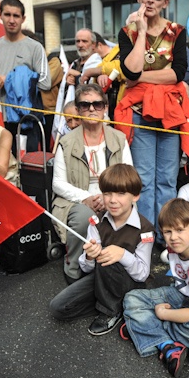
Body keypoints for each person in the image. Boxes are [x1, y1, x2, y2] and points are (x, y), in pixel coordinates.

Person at [114, 0, 189, 246]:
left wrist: (138, 78)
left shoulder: (177, 31)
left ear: (166, 2)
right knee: (144, 181)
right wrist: (140, 32)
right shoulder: (127, 32)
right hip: (140, 116)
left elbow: (178, 74)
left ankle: (167, 237)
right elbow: (130, 71)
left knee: (166, 180)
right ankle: (146, 237)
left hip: (169, 117)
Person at [122, 198, 189, 378]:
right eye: (168, 231)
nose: (173, 237)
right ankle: (167, 345)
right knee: (131, 298)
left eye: (180, 230)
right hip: (183, 295)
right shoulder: (174, 249)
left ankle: (145, 326)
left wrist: (163, 314)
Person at [49, 164, 154, 335]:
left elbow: (142, 274)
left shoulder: (145, 229)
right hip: (102, 278)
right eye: (107, 193)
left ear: (135, 196)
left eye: (121, 193)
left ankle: (110, 311)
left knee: (110, 258)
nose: (112, 200)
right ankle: (118, 305)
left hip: (130, 283)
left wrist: (122, 254)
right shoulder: (96, 222)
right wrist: (90, 257)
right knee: (58, 308)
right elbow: (87, 268)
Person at [52, 84, 133, 284]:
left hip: (112, 197)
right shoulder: (66, 142)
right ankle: (73, 270)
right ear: (78, 110)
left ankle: (119, 267)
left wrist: (109, 198)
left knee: (125, 212)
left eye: (97, 104)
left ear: (105, 108)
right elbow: (58, 184)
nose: (91, 109)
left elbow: (128, 176)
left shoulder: (118, 138)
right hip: (77, 202)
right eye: (85, 105)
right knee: (85, 218)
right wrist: (85, 198)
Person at [0, 0, 51, 153]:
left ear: (23, 18)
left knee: (27, 170)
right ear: (0, 15)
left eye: (16, 16)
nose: (11, 20)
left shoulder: (35, 47)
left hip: (26, 122)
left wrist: (8, 79)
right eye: (7, 14)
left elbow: (45, 82)